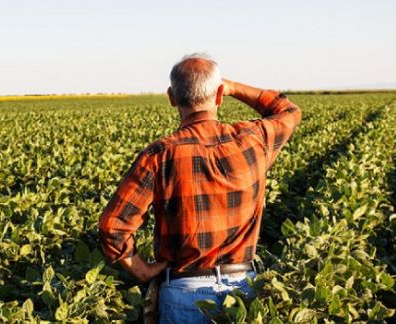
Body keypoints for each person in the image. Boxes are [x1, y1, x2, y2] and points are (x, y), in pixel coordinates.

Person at [98, 53, 301, 323]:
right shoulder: (254, 139)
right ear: (219, 95)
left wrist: (142, 270)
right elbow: (288, 111)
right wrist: (233, 87)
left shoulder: (159, 155)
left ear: (171, 97)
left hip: (183, 292)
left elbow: (113, 226)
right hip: (243, 291)